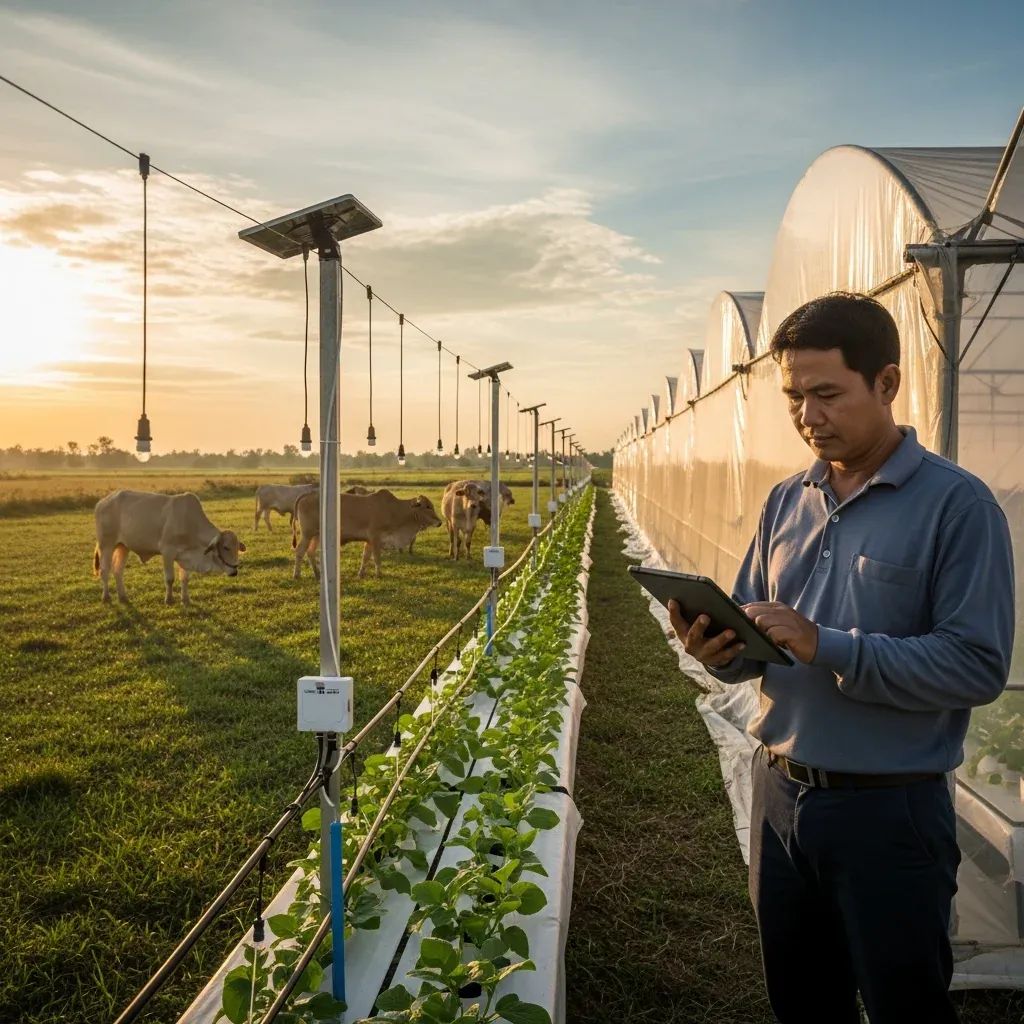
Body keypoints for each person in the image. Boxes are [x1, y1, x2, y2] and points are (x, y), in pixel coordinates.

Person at [667, 292, 1015, 1024]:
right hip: (781, 799)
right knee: (801, 1000)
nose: (807, 416)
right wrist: (716, 650)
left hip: (890, 813)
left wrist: (825, 642)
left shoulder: (958, 507)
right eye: (794, 397)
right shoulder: (784, 502)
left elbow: (975, 666)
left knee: (904, 1005)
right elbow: (755, 651)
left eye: (827, 394)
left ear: (886, 384)